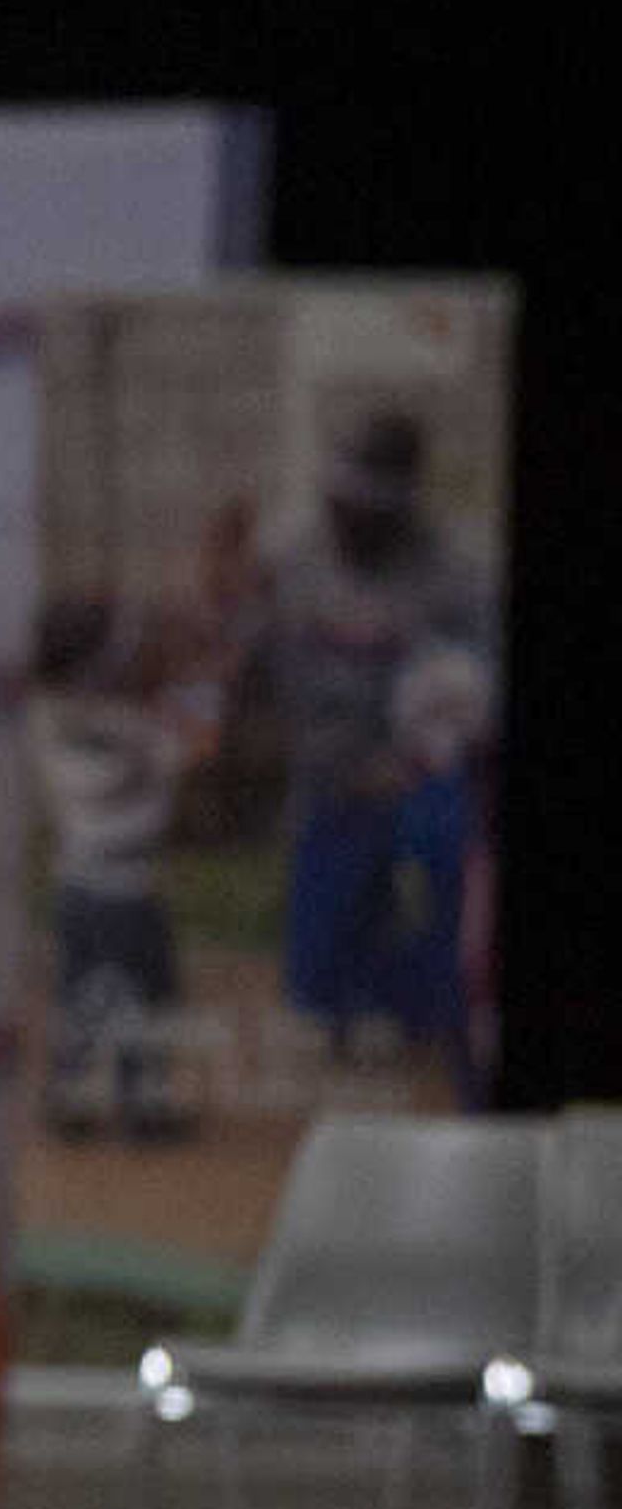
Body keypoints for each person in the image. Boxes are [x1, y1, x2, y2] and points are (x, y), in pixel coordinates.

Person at [230, 407, 491, 1052]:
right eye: (337, 501)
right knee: (317, 972)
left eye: (363, 509)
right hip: (328, 773)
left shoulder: (454, 572)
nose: (345, 519)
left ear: (399, 509)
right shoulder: (290, 554)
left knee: (445, 883)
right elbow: (247, 662)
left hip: (419, 778)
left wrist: (421, 758)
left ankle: (430, 1017)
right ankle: (343, 1011)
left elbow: (476, 690)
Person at [22, 595, 191, 1139]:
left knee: (85, 994)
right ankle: (142, 1108)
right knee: (141, 994)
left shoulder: (48, 717)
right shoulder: (134, 726)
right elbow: (179, 753)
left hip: (76, 884)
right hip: (127, 891)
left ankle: (69, 1097)